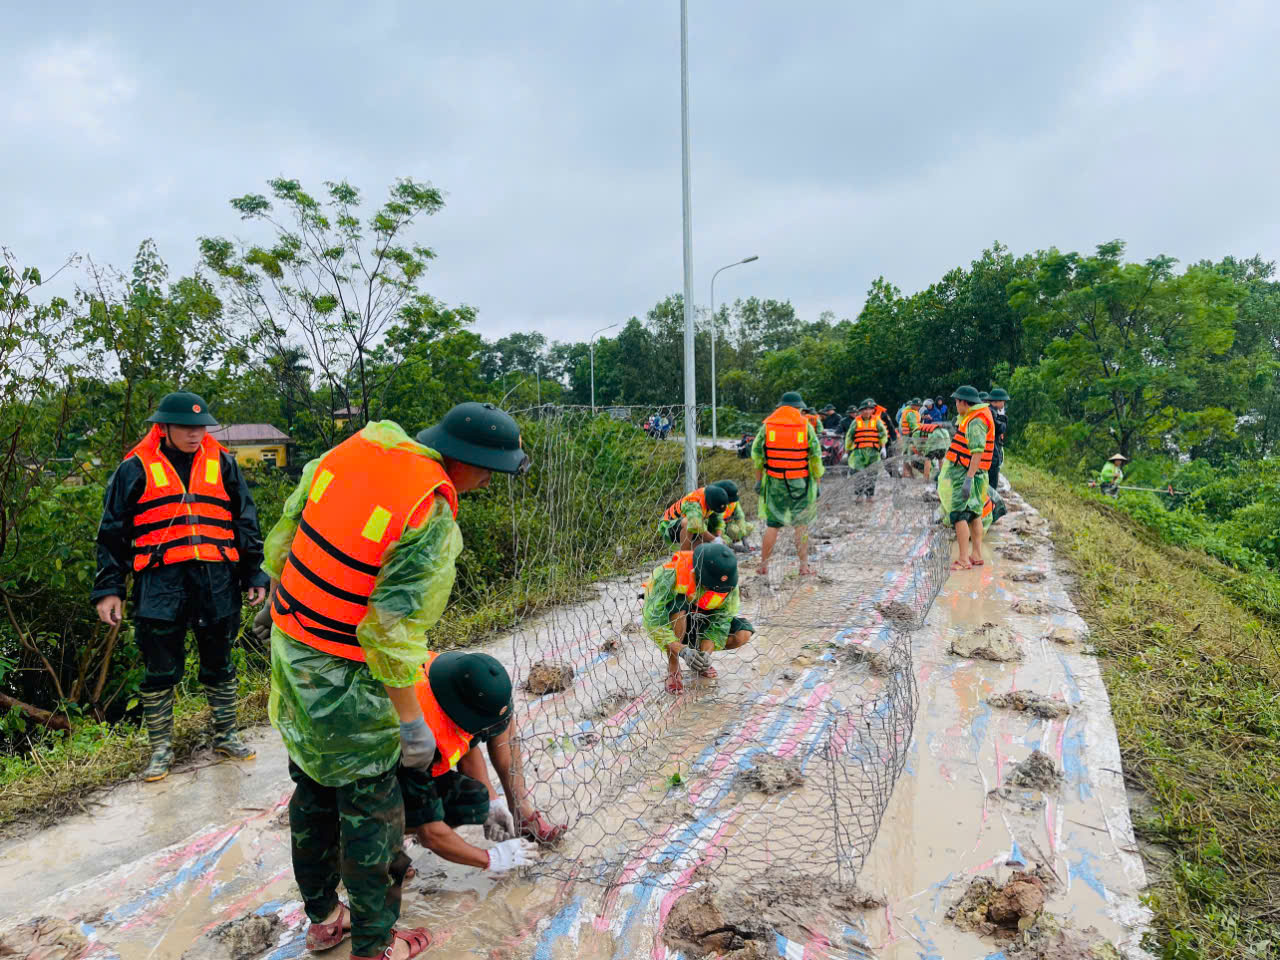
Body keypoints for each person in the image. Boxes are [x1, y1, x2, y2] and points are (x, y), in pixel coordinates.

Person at [258, 403, 533, 960]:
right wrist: (410, 720)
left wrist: (275, 580)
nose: (485, 481)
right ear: (467, 461)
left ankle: (323, 919)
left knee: (312, 791)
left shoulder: (369, 444)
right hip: (344, 675)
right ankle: (375, 945)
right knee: (373, 818)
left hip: (293, 650)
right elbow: (387, 631)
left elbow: (293, 516)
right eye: (488, 470)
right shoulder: (428, 517)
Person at [92, 391, 269, 783]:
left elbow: (245, 519)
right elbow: (112, 534)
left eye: (200, 427)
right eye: (187, 428)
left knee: (220, 663)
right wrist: (109, 589)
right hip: (159, 583)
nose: (195, 434)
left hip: (216, 580)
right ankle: (160, 750)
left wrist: (255, 572)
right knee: (160, 670)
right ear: (164, 427)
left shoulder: (222, 463)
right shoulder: (134, 469)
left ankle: (226, 734)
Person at [387, 651, 557, 890]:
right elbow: (431, 831)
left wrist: (493, 803)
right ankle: (386, 843)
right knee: (417, 821)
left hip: (420, 759)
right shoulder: (416, 738)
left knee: (474, 799)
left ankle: (520, 813)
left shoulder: (453, 676)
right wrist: (491, 859)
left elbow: (466, 745)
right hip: (379, 778)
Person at [642, 543, 753, 694]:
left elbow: (721, 622)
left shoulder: (728, 585)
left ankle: (699, 660)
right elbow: (653, 622)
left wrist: (706, 654)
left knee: (742, 635)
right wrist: (682, 651)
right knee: (679, 606)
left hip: (701, 622)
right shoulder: (669, 575)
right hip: (675, 622)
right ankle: (673, 667)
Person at [752, 392, 824, 576]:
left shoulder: (768, 426)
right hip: (800, 483)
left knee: (773, 524)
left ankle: (763, 566)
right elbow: (815, 457)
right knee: (801, 524)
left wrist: (759, 481)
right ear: (798, 407)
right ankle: (804, 566)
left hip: (775, 482)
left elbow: (757, 456)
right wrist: (817, 483)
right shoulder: (805, 426)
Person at [937, 386, 994, 570]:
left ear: (964, 402)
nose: (955, 405)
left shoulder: (976, 421)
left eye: (956, 402)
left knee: (959, 515)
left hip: (966, 473)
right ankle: (976, 554)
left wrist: (968, 479)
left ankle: (963, 559)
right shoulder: (976, 416)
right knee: (974, 513)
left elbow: (977, 452)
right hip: (975, 473)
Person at [660, 483, 731, 551]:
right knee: (688, 522)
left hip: (691, 526)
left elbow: (718, 520)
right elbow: (695, 525)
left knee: (708, 526)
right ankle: (684, 557)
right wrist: (714, 539)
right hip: (669, 526)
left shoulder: (712, 499)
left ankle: (695, 555)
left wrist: (718, 536)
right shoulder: (694, 501)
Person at [844, 398, 888, 500]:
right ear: (860, 411)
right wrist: (846, 452)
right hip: (859, 452)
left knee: (872, 474)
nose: (866, 411)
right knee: (858, 473)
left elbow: (883, 434)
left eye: (869, 409)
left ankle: (870, 496)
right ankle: (858, 495)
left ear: (872, 410)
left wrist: (883, 448)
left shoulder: (877, 420)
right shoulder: (856, 421)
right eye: (864, 409)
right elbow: (849, 436)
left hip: (873, 452)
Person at [711, 479, 755, 552]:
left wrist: (743, 537)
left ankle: (733, 539)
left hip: (728, 523)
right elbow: (717, 529)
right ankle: (728, 542)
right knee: (733, 531)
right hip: (716, 529)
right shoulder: (715, 502)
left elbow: (740, 517)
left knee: (749, 527)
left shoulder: (734, 501)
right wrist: (733, 546)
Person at [987, 387, 1010, 492]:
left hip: (990, 451)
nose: (1004, 404)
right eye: (1003, 401)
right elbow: (999, 428)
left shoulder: (991, 411)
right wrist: (1004, 420)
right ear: (997, 401)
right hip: (991, 453)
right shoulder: (991, 412)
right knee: (991, 486)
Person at [899, 398, 925, 480]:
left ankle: (908, 474)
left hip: (908, 436)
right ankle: (909, 474)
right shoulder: (910, 413)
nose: (918, 407)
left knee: (907, 455)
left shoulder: (912, 412)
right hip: (910, 436)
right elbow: (914, 425)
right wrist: (922, 430)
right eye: (917, 406)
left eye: (919, 406)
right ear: (913, 405)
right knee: (910, 454)